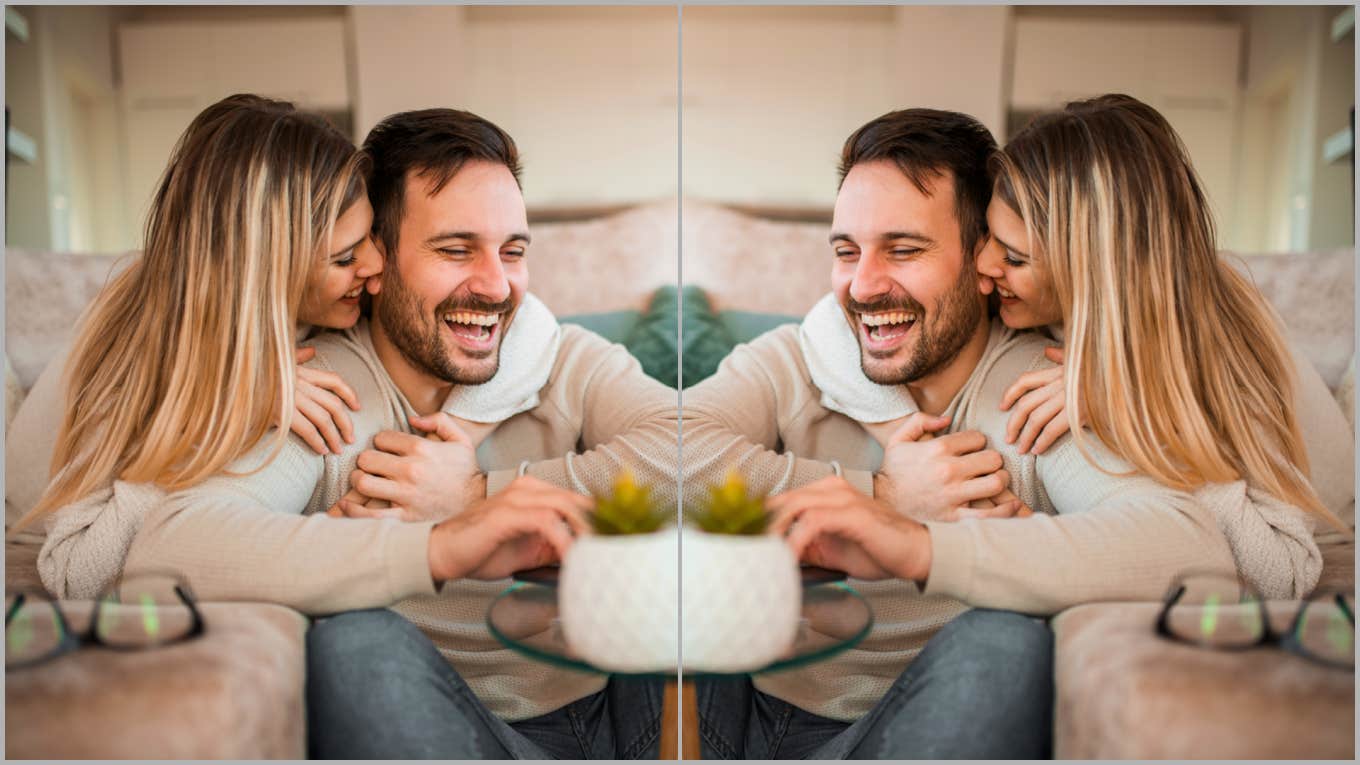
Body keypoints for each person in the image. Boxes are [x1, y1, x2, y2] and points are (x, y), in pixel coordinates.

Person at [682, 107, 1323, 758]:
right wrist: (877, 494)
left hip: (904, 724)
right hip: (735, 705)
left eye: (904, 249)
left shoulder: (1039, 393)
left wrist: (920, 545)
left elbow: (1192, 546)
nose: (864, 285)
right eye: (847, 251)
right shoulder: (803, 354)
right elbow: (661, 459)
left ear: (977, 264)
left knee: (1005, 642)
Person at [114, 108, 678, 759]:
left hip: (613, 713)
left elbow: (698, 459)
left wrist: (477, 495)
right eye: (455, 249)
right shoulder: (327, 390)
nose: (497, 285)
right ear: (377, 262)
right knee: (353, 641)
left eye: (513, 251)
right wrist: (442, 545)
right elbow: (171, 546)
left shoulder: (565, 359)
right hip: (442, 722)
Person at [5, 94, 384, 598]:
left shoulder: (322, 308)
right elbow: (76, 574)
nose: (376, 265)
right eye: (343, 259)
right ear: (266, 268)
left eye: (372, 238)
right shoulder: (137, 338)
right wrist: (225, 412)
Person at [976, 95, 1354, 585]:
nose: (984, 267)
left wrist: (1130, 410)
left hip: (1330, 517)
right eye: (988, 237)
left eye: (1015, 258)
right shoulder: (1036, 307)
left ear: (1095, 268)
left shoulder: (1222, 341)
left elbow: (1284, 573)